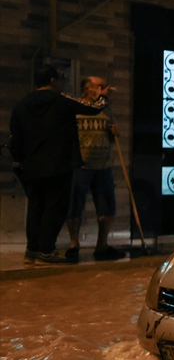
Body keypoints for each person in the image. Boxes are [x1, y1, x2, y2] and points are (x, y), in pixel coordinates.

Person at [8, 63, 108, 265]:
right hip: (57, 164)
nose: (64, 83)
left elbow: (15, 137)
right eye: (62, 79)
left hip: (31, 166)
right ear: (53, 81)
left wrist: (18, 159)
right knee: (55, 207)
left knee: (36, 207)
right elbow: (93, 108)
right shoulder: (60, 100)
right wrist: (103, 95)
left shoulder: (21, 104)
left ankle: (32, 250)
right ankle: (47, 251)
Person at [65, 75, 125, 263]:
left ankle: (102, 246)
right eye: (100, 86)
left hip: (103, 165)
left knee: (107, 207)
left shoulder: (106, 109)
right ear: (88, 88)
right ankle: (74, 244)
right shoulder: (76, 108)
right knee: (74, 206)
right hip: (80, 165)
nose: (105, 89)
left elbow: (113, 131)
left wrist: (115, 131)